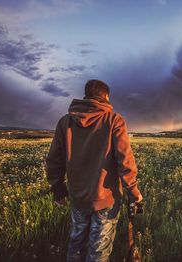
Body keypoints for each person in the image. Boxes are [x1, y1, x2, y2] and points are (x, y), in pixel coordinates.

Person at [46, 79, 143, 262]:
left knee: (75, 245)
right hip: (107, 199)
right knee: (98, 251)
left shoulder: (65, 122)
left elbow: (54, 161)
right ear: (106, 96)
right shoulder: (114, 120)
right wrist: (134, 191)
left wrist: (58, 190)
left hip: (78, 197)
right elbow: (125, 161)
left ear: (87, 96)